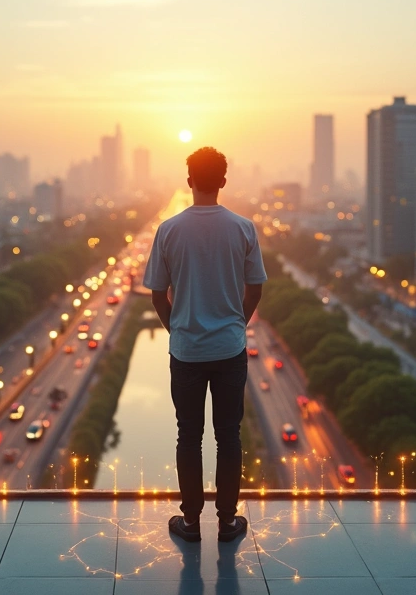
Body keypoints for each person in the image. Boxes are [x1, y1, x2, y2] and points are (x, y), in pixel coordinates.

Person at [144, 146, 266, 543]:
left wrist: (177, 328)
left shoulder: (169, 230)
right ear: (224, 182)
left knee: (188, 436)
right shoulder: (243, 228)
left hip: (187, 352)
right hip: (230, 350)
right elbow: (256, 288)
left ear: (190, 180)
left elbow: (157, 294)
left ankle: (191, 523)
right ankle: (228, 522)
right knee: (229, 435)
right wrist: (235, 323)